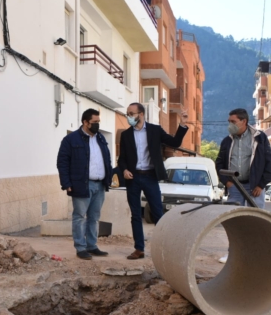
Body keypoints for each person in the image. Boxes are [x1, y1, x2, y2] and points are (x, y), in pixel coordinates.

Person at [118, 102, 188, 259]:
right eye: (127, 113)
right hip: (133, 178)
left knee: (157, 213)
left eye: (131, 113)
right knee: (136, 215)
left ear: (141, 114)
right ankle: (139, 249)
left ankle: (166, 247)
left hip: (150, 176)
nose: (128, 116)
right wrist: (124, 170)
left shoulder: (155, 130)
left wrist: (182, 124)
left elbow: (175, 142)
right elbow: (121, 159)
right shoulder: (125, 135)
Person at [215, 108, 271, 263]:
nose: (230, 125)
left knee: (257, 221)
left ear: (244, 121)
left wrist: (261, 185)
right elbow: (219, 163)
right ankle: (233, 255)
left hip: (255, 187)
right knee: (234, 222)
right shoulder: (227, 141)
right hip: (235, 187)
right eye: (229, 122)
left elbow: (269, 163)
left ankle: (257, 255)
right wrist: (227, 181)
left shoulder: (259, 138)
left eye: (233, 122)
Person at [57, 108, 113, 260]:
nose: (97, 125)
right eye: (94, 122)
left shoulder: (100, 138)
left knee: (94, 217)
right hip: (82, 184)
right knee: (80, 216)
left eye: (98, 122)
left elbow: (106, 160)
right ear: (85, 122)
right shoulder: (71, 140)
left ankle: (92, 246)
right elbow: (62, 162)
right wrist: (66, 183)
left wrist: (109, 178)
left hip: (100, 184)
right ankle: (80, 247)